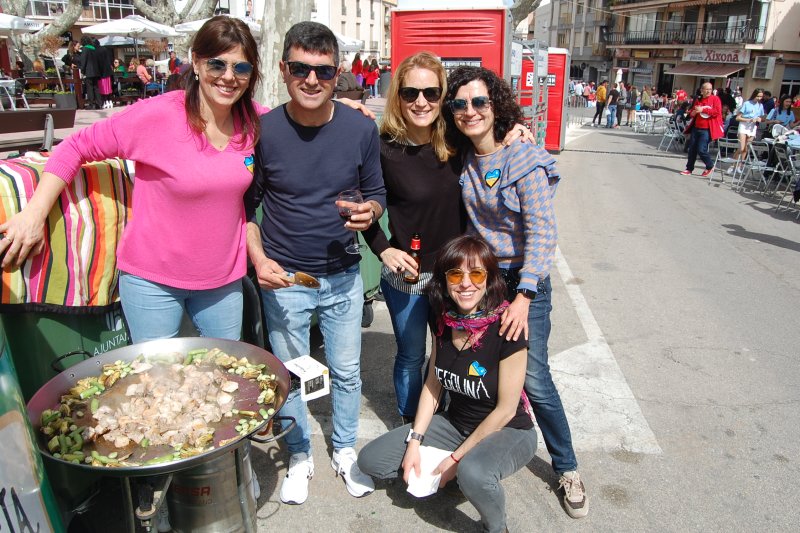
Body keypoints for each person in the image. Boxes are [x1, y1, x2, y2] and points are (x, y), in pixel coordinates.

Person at [244, 21, 385, 506]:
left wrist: (373, 211)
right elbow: (245, 208)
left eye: (322, 71)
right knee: (290, 373)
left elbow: (377, 192)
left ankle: (345, 449)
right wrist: (258, 259)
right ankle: (300, 454)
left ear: (337, 72)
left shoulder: (360, 129)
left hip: (343, 274)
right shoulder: (263, 131)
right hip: (285, 279)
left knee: (346, 372)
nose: (311, 79)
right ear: (283, 70)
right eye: (300, 68)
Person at [443, 65, 588, 519]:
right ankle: (463, 454)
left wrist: (524, 296)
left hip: (523, 283)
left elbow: (543, 232)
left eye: (479, 102)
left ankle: (567, 468)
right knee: (473, 364)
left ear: (496, 105)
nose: (470, 111)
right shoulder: (464, 158)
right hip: (482, 281)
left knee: (535, 378)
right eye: (460, 104)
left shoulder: (523, 157)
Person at [361, 51, 533, 426]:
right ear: (398, 97)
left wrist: (513, 130)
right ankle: (411, 427)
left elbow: (489, 129)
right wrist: (384, 250)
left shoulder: (458, 140)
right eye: (410, 93)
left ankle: (456, 424)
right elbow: (365, 204)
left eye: (431, 93)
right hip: (406, 278)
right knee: (410, 356)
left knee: (457, 353)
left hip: (458, 277)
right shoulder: (383, 147)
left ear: (443, 96)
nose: (420, 102)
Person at [358, 234, 537, 533]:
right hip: (456, 424)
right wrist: (415, 440)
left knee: (474, 473)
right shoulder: (446, 321)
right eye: (456, 274)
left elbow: (506, 410)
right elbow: (432, 385)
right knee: (371, 460)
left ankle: (497, 526)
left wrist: (457, 458)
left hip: (508, 430)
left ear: (489, 278)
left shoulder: (508, 329)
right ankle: (457, 475)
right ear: (444, 280)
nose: (466, 283)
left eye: (476, 273)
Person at [680, 82, 723, 176]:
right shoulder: (698, 99)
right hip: (696, 127)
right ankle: (689, 169)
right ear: (702, 90)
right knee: (692, 150)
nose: (708, 91)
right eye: (706, 89)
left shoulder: (715, 99)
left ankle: (710, 165)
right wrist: (693, 113)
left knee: (701, 149)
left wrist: (703, 110)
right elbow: (692, 111)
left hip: (707, 129)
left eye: (710, 89)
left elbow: (717, 112)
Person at [727, 88, 764, 175]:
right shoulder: (747, 103)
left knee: (746, 149)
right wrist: (749, 119)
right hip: (744, 126)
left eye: (761, 97)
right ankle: (732, 165)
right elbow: (738, 117)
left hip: (752, 127)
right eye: (758, 96)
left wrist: (760, 119)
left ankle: (740, 165)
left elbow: (763, 117)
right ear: (754, 95)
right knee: (741, 148)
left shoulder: (760, 105)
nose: (759, 98)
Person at [77, 36, 103, 109]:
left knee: (90, 88)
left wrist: (82, 70)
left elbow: (83, 60)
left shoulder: (85, 49)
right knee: (96, 87)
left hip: (89, 71)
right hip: (96, 71)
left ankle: (91, 104)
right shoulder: (94, 49)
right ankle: (99, 103)